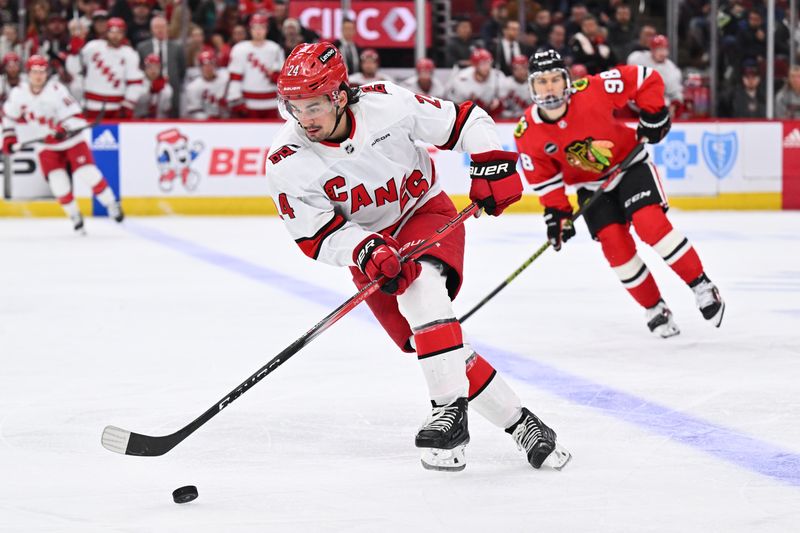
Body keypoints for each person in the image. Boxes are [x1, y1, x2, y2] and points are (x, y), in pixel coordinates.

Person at [267, 43, 571, 472]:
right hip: (370, 247)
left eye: (313, 105)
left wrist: (489, 164)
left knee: (421, 289)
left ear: (338, 95)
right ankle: (524, 425)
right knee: (437, 344)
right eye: (294, 107)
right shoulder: (287, 158)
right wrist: (364, 247)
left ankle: (447, 409)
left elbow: (466, 121)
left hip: (423, 213)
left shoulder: (386, 104)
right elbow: (314, 234)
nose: (304, 119)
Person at [514, 50, 725, 338]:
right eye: (541, 82)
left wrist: (654, 114)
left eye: (554, 79)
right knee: (616, 248)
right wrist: (557, 215)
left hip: (630, 167)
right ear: (531, 86)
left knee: (650, 225)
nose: (549, 87)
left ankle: (702, 285)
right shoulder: (526, 132)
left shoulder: (593, 90)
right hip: (591, 188)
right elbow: (546, 180)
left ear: (567, 80)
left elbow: (645, 78)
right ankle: (655, 308)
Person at [2, 55, 124, 233]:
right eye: (35, 72)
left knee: (88, 173)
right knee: (58, 182)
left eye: (42, 72)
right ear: (28, 73)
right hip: (46, 146)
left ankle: (112, 203)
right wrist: (9, 139)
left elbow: (76, 116)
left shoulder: (57, 90)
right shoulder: (18, 93)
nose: (38, 76)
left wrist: (63, 128)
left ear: (47, 73)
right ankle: (74, 215)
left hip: (72, 142)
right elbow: (8, 118)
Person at [79, 17, 144, 120]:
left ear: (124, 34)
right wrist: (76, 44)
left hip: (116, 107)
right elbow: (76, 66)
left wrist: (128, 104)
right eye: (112, 32)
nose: (115, 36)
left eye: (119, 32)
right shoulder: (92, 47)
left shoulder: (130, 54)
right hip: (91, 105)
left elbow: (135, 82)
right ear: (106, 32)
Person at [226, 13, 284, 119]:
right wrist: (235, 98)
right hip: (248, 103)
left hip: (271, 103)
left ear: (266, 29)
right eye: (255, 28)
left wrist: (276, 77)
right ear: (250, 29)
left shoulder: (275, 49)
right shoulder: (240, 49)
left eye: (261, 27)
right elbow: (235, 78)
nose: (258, 31)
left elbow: (281, 77)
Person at [627, 35, 683, 113]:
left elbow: (676, 93)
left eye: (665, 49)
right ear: (652, 50)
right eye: (659, 49)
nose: (663, 53)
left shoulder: (672, 69)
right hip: (636, 103)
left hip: (657, 108)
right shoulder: (638, 58)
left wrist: (674, 105)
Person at [447, 48, 503, 117]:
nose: (487, 67)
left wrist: (498, 103)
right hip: (466, 116)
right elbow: (454, 106)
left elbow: (504, 102)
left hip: (491, 116)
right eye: (483, 64)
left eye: (489, 62)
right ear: (475, 65)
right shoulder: (461, 79)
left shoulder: (498, 76)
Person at [184, 50, 229, 119]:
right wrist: (209, 118)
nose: (208, 68)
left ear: (216, 65)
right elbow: (194, 112)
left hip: (226, 122)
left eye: (211, 64)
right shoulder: (193, 87)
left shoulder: (225, 80)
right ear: (200, 67)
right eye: (204, 65)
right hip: (204, 125)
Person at [134, 53, 172, 118]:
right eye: (150, 66)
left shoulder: (166, 86)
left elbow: (166, 108)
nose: (153, 70)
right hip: (139, 121)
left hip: (159, 122)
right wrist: (150, 90)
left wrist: (159, 92)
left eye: (156, 67)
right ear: (144, 68)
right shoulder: (137, 82)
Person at [499, 54, 530, 119]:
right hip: (510, 120)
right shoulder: (506, 83)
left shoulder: (534, 83)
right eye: (517, 68)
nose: (521, 71)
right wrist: (514, 115)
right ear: (512, 70)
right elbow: (501, 110)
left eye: (524, 68)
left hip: (530, 118)